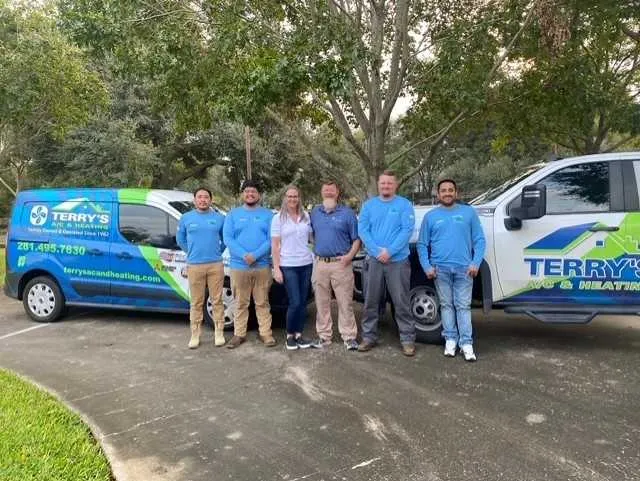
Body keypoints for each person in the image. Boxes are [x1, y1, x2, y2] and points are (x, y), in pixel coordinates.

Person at [417, 179, 486, 362]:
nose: (447, 193)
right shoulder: (430, 216)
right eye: (443, 190)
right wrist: (427, 267)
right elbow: (422, 244)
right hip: (440, 270)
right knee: (446, 305)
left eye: (450, 190)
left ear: (456, 193)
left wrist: (475, 263)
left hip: (465, 270)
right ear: (438, 194)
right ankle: (450, 340)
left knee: (463, 306)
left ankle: (466, 344)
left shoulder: (468, 213)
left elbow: (479, 240)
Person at [358, 170, 416, 356]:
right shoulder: (368, 206)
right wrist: (377, 252)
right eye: (383, 183)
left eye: (389, 183)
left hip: (398, 261)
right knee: (371, 300)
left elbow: (407, 231)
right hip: (374, 261)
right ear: (378, 185)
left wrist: (390, 251)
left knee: (401, 301)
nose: (386, 186)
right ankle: (368, 337)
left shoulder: (404, 205)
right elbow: (363, 230)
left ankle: (407, 339)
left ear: (395, 185)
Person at [222, 180, 277, 349]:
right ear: (242, 194)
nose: (250, 194)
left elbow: (272, 239)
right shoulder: (233, 215)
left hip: (262, 266)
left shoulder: (268, 215)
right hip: (239, 266)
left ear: (259, 195)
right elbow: (228, 238)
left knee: (262, 302)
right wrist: (244, 255)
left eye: (253, 191)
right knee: (240, 303)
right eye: (247, 191)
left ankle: (266, 333)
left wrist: (256, 255)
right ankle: (239, 334)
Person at [310, 181, 360, 350]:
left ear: (337, 193)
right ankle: (324, 336)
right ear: (321, 192)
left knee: (345, 302)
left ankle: (349, 337)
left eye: (332, 190)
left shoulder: (348, 214)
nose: (329, 192)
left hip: (341, 264)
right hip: (320, 264)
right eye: (326, 190)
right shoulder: (315, 213)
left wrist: (349, 257)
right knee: (321, 302)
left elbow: (356, 239)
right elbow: (311, 236)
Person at [176, 187, 226, 349]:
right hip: (194, 265)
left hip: (215, 264)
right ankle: (195, 334)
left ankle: (219, 332)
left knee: (217, 300)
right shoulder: (186, 218)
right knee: (196, 302)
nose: (203, 200)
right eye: (200, 197)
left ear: (211, 200)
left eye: (206, 197)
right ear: (195, 200)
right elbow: (180, 239)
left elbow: (225, 239)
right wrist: (191, 252)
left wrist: (217, 251)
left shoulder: (219, 218)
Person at [271, 185, 315, 350]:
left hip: (306, 264)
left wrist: (315, 253)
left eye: (295, 196)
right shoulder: (278, 219)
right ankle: (290, 335)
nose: (292, 199)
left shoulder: (306, 216)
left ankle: (299, 334)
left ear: (299, 198)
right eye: (289, 196)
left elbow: (311, 239)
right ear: (285, 198)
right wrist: (276, 268)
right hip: (288, 265)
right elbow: (275, 245)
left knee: (303, 302)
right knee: (295, 302)